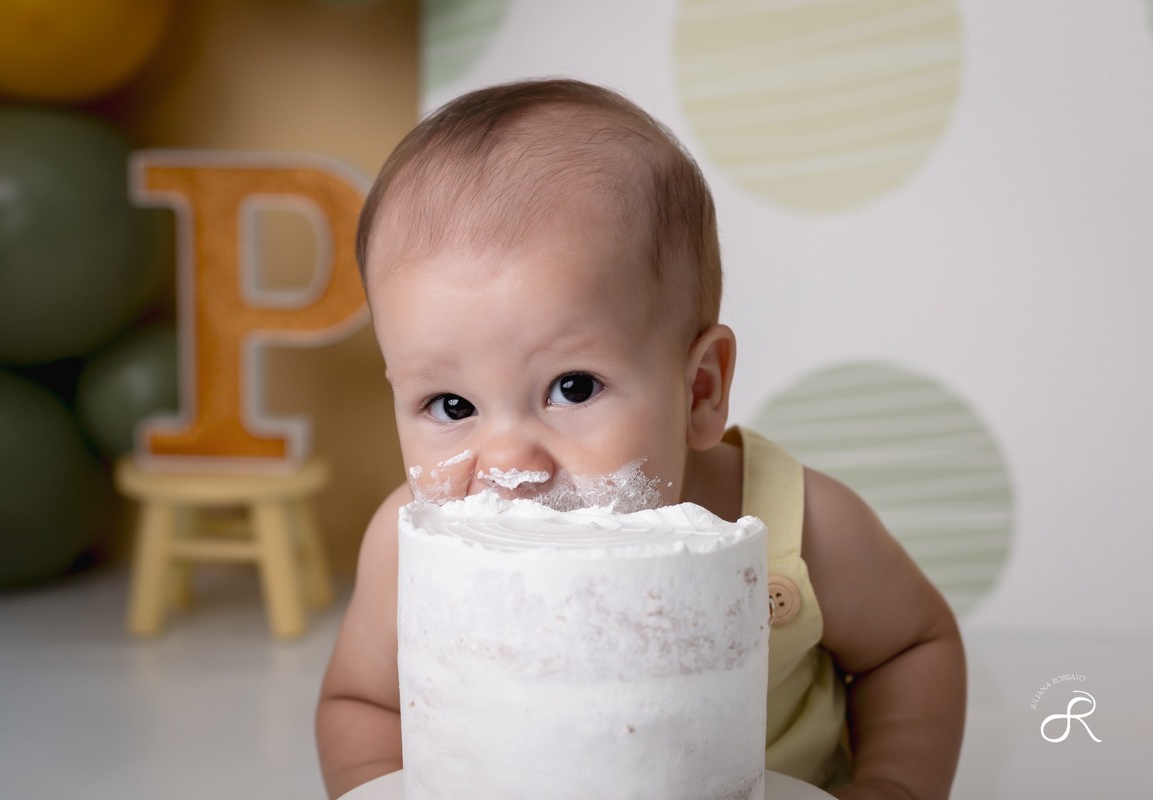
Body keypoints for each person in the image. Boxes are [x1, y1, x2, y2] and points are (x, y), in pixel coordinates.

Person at [316, 78, 965, 800]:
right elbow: (363, 707)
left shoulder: (794, 526)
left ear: (699, 392)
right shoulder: (407, 550)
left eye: (573, 388)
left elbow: (914, 648)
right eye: (451, 403)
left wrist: (895, 783)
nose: (508, 466)